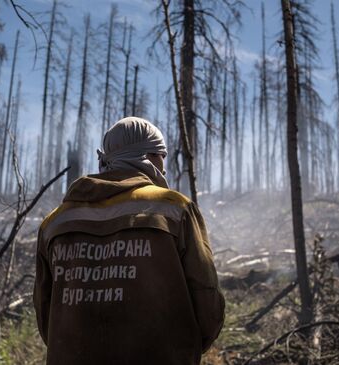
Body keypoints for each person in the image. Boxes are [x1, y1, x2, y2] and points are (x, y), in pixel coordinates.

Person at [33, 117, 225, 365]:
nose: (164, 168)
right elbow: (206, 296)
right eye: (162, 156)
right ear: (149, 156)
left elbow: (45, 310)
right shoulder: (174, 209)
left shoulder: (55, 223)